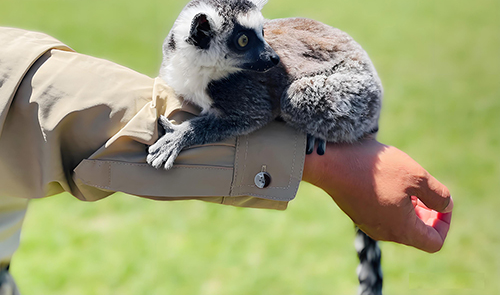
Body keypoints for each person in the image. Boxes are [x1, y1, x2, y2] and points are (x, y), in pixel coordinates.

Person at [0, 27, 452, 293]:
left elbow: (45, 95)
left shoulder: (227, 71)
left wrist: (325, 159)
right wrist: (323, 165)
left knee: (286, 99)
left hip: (338, 99)